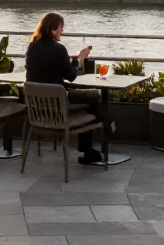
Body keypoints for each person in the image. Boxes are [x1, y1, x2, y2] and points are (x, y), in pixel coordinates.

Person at [25, 12, 108, 165]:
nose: (62, 30)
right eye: (61, 27)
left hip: (37, 110)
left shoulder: (32, 46)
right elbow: (71, 76)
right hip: (58, 109)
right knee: (94, 99)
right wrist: (80, 59)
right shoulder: (58, 49)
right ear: (55, 29)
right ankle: (97, 141)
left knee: (89, 100)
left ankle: (90, 148)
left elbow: (46, 73)